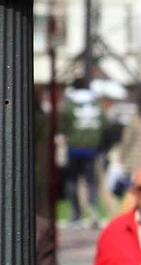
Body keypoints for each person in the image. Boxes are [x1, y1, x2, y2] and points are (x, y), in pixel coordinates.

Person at [59, 78, 106, 227]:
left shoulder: (69, 106)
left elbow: (62, 126)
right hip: (91, 149)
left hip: (73, 148)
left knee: (72, 181)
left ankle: (76, 214)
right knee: (91, 181)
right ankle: (92, 210)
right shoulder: (97, 105)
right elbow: (106, 124)